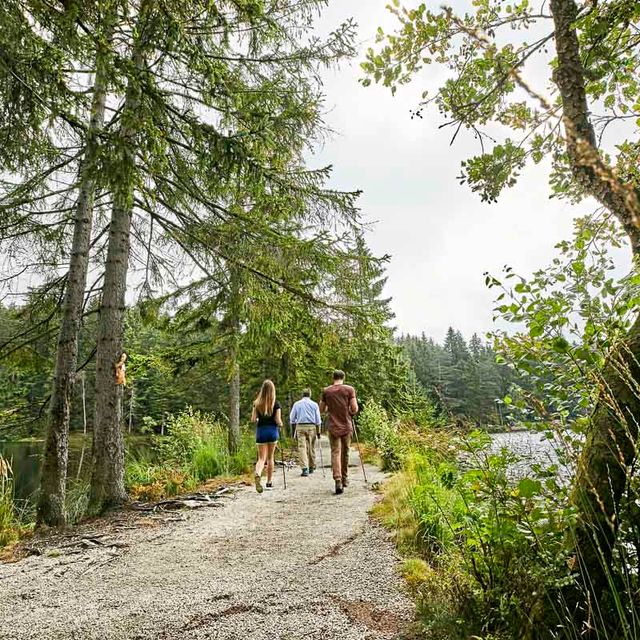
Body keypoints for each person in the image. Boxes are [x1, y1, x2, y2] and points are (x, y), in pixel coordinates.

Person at [320, 370, 358, 495]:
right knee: (345, 452)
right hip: (346, 425)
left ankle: (337, 479)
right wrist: (350, 412)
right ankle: (345, 478)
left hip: (333, 426)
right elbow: (354, 408)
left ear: (333, 378)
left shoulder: (326, 391)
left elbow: (322, 409)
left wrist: (329, 409)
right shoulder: (349, 390)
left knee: (335, 452)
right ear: (343, 377)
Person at [251, 379, 282, 493]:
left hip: (261, 432)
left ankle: (258, 474)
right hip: (272, 431)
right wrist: (281, 424)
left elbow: (253, 419)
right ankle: (269, 482)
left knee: (261, 458)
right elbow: (278, 420)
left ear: (262, 390)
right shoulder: (276, 404)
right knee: (270, 458)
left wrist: (260, 417)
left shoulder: (257, 403)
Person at [290, 389, 321, 477]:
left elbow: (292, 418)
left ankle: (304, 469)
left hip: (300, 427)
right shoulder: (314, 404)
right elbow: (318, 420)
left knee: (302, 448)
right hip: (312, 427)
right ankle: (311, 466)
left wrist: (293, 432)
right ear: (310, 395)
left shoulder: (297, 404)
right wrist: (318, 432)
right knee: (311, 447)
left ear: (302, 395)